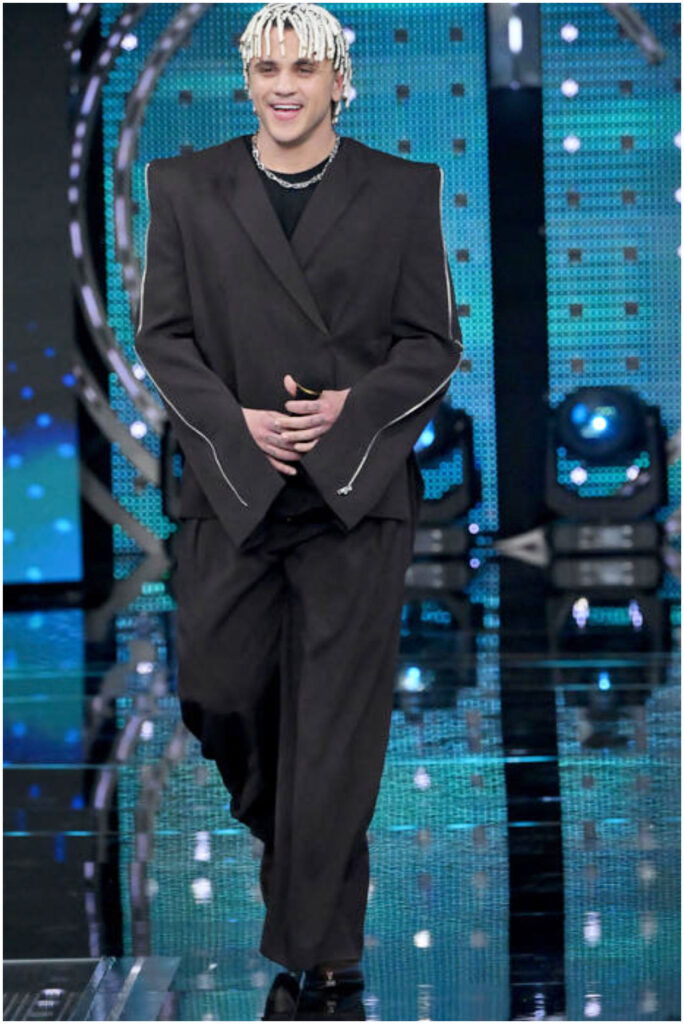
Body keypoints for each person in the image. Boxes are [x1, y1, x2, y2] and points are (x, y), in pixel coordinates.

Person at [134, 2, 463, 1018]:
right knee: (219, 691)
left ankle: (318, 944)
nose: (284, 86)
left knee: (333, 734)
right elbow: (163, 336)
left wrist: (350, 411)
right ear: (246, 79)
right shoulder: (184, 186)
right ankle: (300, 843)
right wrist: (235, 425)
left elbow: (433, 343)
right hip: (230, 486)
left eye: (303, 68)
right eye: (267, 68)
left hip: (352, 493)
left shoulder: (402, 190)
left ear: (337, 81)